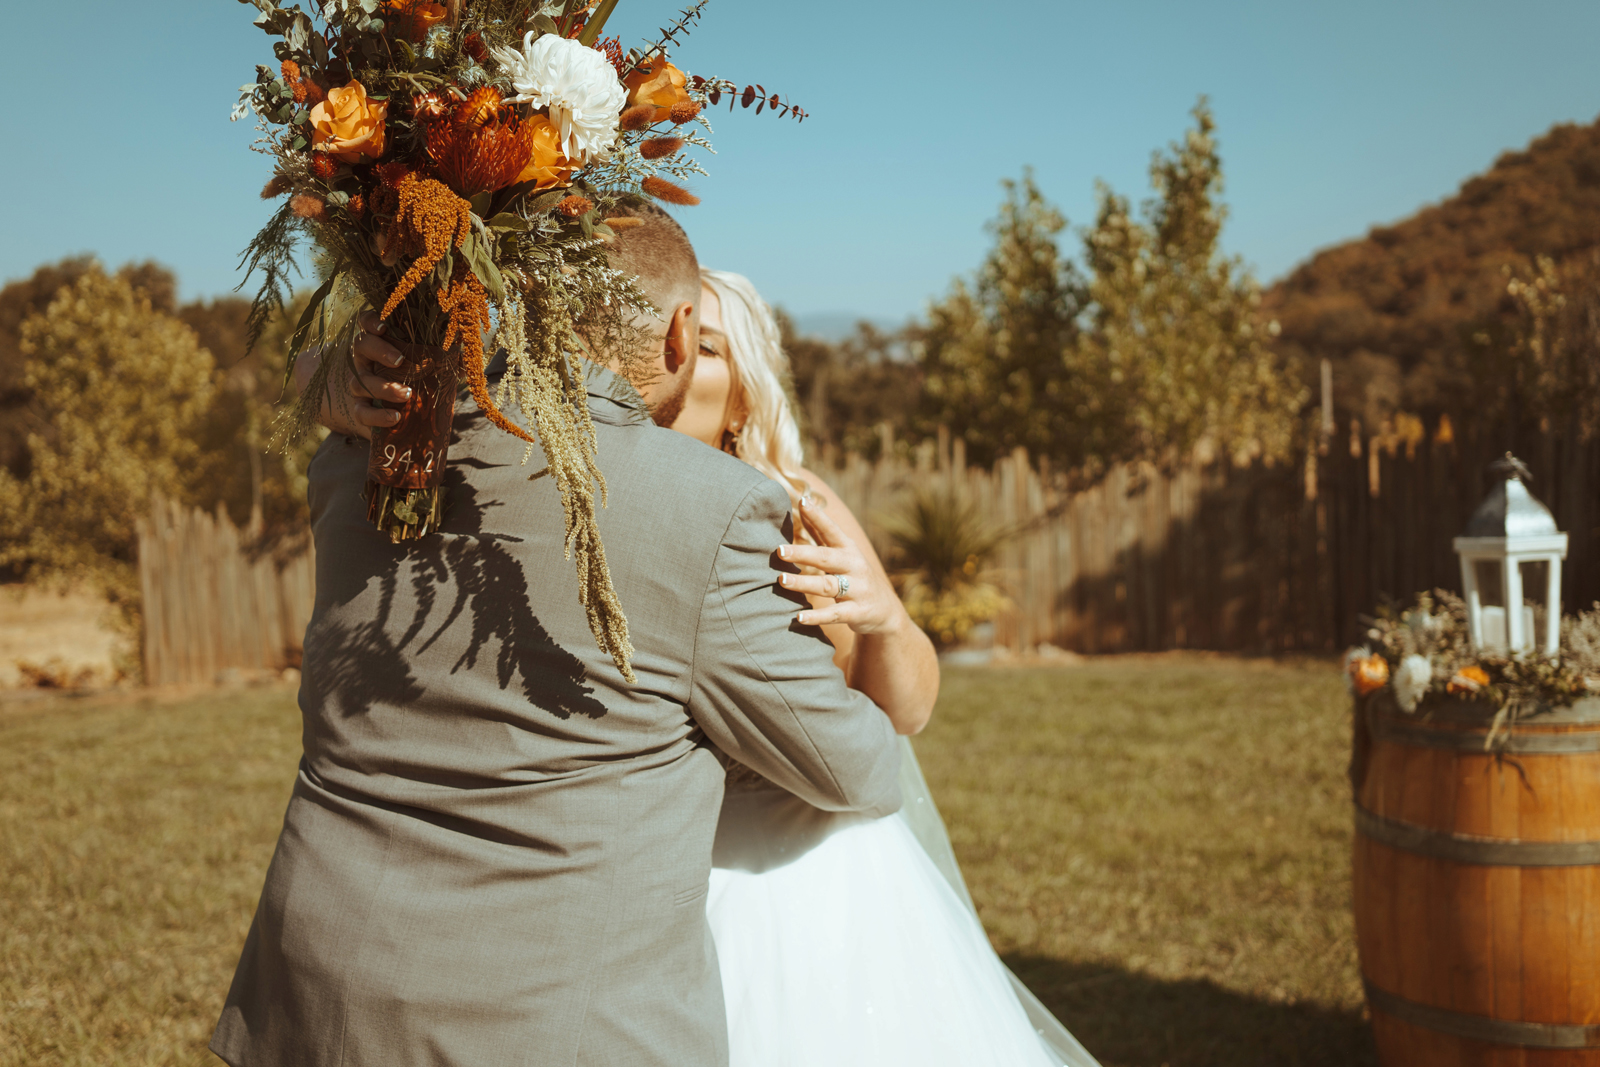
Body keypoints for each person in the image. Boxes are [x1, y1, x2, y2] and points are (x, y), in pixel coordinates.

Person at [208, 201, 903, 1067]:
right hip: (545, 1026)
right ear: (681, 333)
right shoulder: (714, 508)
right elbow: (853, 767)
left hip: (314, 996)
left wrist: (326, 371)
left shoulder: (366, 449)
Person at [669, 268, 1104, 1067]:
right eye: (669, 332)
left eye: (704, 345)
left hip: (819, 879)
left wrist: (886, 620)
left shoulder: (798, 504)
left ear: (743, 395)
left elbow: (909, 710)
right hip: (672, 875)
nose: (673, 356)